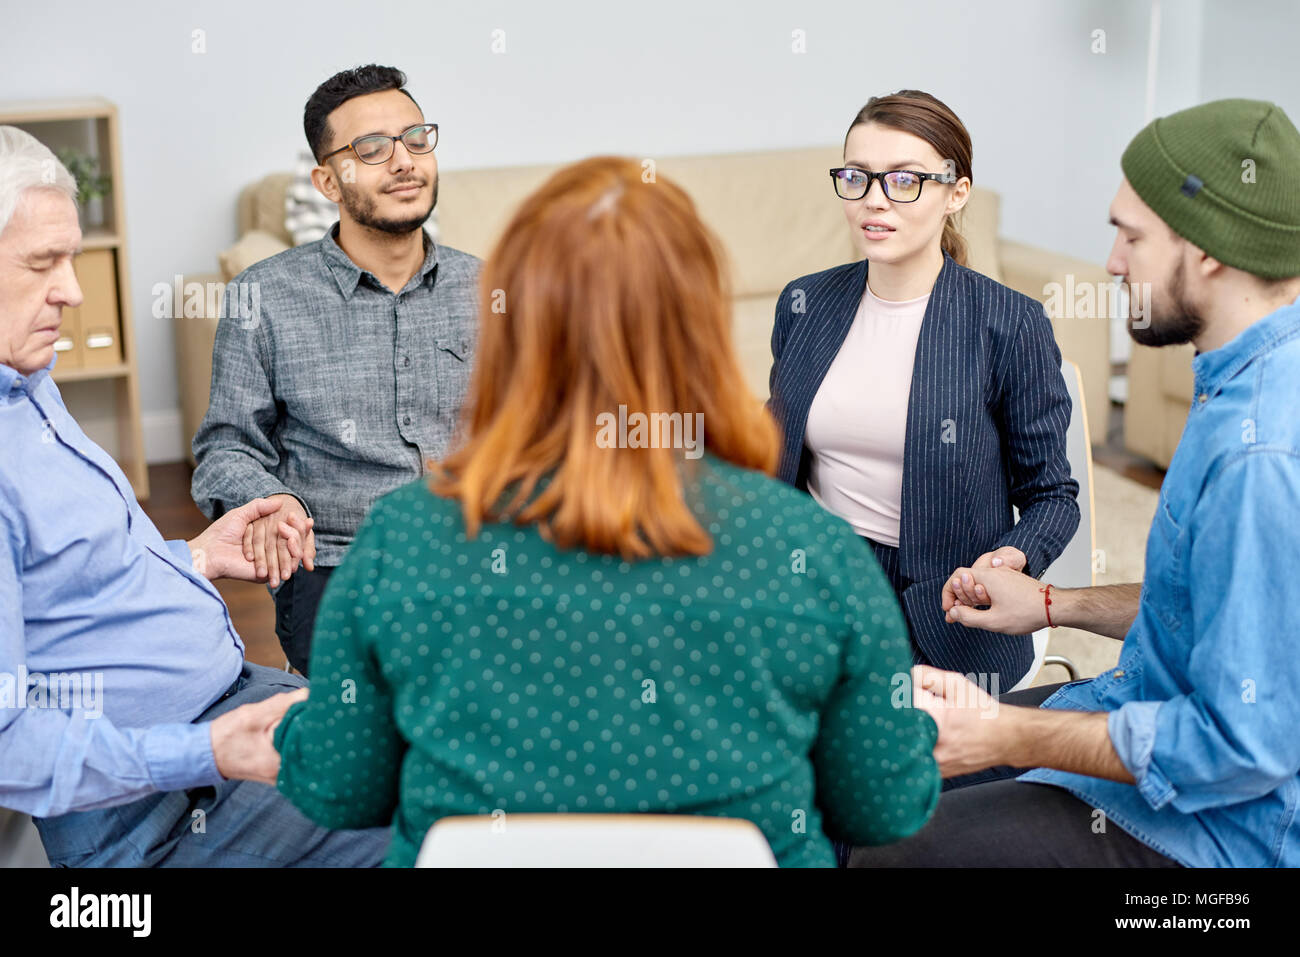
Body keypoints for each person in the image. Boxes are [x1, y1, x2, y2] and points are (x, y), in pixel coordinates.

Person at [271, 156, 941, 867]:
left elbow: (339, 789)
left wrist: (293, 730)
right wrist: (909, 727)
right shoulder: (815, 550)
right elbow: (883, 806)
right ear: (702, 330)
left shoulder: (401, 538)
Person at [851, 98, 1300, 868]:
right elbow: (1214, 605)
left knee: (894, 849)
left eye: (1131, 235)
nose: (1112, 262)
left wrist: (1007, 732)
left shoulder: (1260, 452)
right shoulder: (1240, 376)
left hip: (1219, 834)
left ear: (1210, 251)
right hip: (1139, 708)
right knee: (875, 772)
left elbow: (1243, 745)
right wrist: (1053, 604)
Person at [0, 126, 387, 866]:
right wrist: (204, 750)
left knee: (464, 740)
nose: (74, 291)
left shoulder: (26, 384)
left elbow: (71, 581)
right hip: (167, 810)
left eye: (71, 258)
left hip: (226, 711)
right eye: (41, 263)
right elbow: (7, 741)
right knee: (439, 814)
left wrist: (194, 557)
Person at [767, 91, 1079, 688]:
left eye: (904, 180)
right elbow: (775, 451)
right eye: (857, 177)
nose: (873, 201)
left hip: (946, 609)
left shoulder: (1009, 322)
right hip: (817, 587)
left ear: (956, 193)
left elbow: (1052, 495)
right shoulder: (804, 303)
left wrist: (1011, 559)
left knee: (914, 769)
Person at [192, 64, 481, 675]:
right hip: (341, 565)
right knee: (362, 753)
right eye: (372, 148)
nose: (403, 161)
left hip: (479, 556)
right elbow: (225, 449)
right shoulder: (265, 296)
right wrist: (270, 500)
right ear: (328, 180)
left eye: (415, 139)